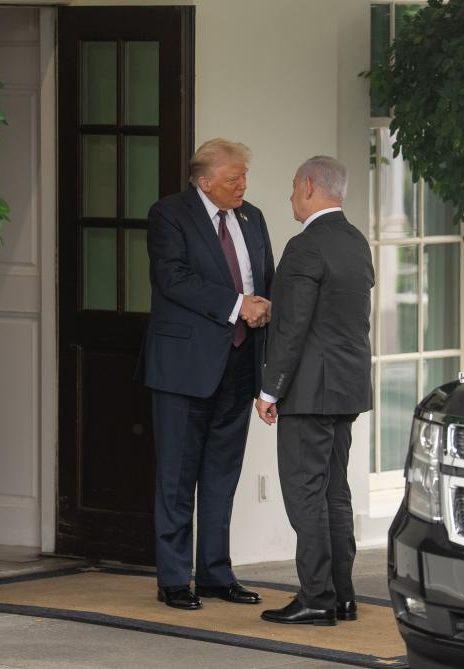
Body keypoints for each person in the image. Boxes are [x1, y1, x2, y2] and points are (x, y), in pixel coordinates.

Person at [139, 138, 274, 610]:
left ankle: (216, 573)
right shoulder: (169, 214)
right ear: (204, 181)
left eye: (244, 177)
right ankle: (175, 578)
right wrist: (238, 305)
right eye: (234, 178)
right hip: (184, 367)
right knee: (177, 478)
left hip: (239, 363)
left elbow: (265, 280)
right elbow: (172, 278)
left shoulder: (252, 217)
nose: (243, 186)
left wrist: (264, 321)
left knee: (222, 475)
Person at [256, 156, 373, 626]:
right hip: (347, 387)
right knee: (334, 493)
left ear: (308, 186)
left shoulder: (305, 246)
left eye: (292, 186)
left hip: (309, 391)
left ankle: (316, 597)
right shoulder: (356, 241)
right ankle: (343, 597)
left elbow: (293, 327)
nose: (290, 196)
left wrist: (270, 390)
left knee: (305, 495)